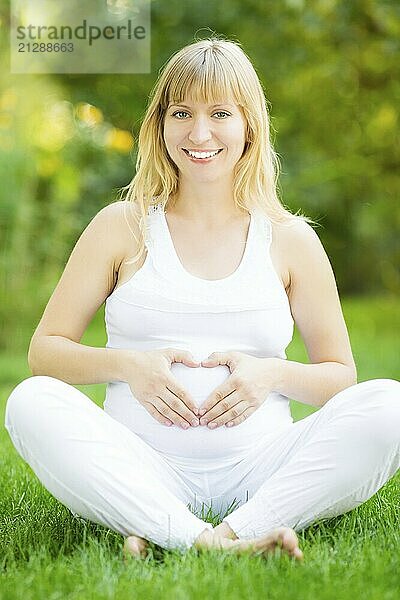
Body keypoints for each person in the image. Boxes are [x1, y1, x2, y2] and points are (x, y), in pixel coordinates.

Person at [5, 37, 400, 562]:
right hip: (143, 463)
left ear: (249, 127)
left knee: (390, 405)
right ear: (160, 124)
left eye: (220, 114)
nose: (199, 133)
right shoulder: (121, 227)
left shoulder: (290, 239)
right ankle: (203, 537)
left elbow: (340, 375)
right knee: (30, 403)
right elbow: (45, 354)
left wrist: (271, 375)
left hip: (262, 469)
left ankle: (212, 531)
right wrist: (128, 367)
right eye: (182, 113)